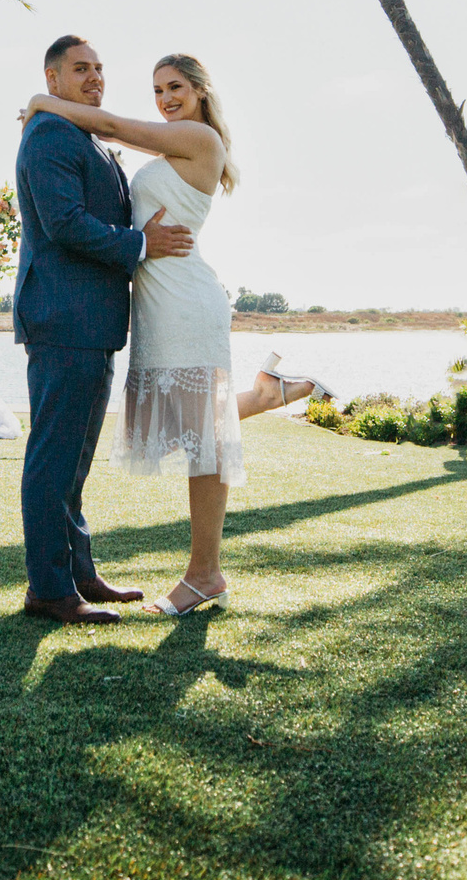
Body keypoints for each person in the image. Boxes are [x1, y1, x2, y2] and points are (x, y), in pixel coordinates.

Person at [22, 51, 329, 617]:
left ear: (200, 91)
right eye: (158, 90)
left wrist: (45, 102)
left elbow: (111, 126)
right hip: (156, 307)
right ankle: (264, 396)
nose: (165, 98)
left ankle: (204, 574)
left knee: (203, 440)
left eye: (175, 87)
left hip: (185, 302)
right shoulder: (170, 142)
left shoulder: (199, 139)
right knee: (198, 427)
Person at [11, 36, 192, 625]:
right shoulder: (49, 135)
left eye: (99, 69)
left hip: (92, 324)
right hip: (63, 321)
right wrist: (143, 245)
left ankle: (79, 574)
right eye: (80, 69)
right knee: (52, 459)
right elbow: (65, 224)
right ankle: (49, 590)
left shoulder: (80, 134)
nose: (93, 78)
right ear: (52, 78)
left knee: (74, 462)